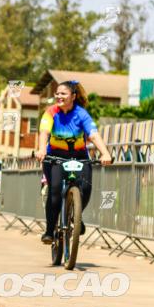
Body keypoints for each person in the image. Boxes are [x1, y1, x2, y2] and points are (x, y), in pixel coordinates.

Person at [36, 80, 112, 244]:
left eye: (63, 93)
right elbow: (44, 132)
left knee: (85, 188)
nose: (59, 96)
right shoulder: (51, 112)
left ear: (73, 96)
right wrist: (42, 149)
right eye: (57, 93)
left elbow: (93, 134)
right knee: (55, 192)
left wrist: (105, 153)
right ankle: (49, 231)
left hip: (79, 157)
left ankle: (75, 216)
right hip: (54, 157)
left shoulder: (81, 114)